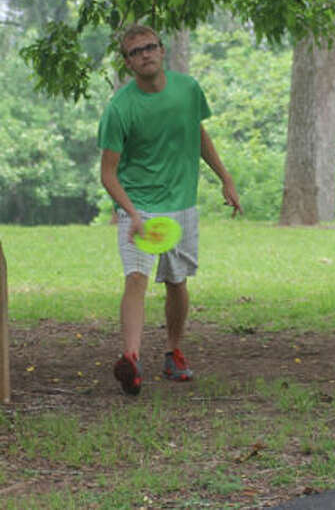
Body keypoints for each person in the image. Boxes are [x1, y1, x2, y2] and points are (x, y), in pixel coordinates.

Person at [97, 24, 242, 395]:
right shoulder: (120, 108)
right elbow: (108, 173)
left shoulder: (188, 90)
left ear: (162, 51)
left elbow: (197, 134)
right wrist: (129, 212)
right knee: (136, 278)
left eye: (150, 47)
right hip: (140, 206)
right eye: (135, 51)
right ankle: (131, 358)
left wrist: (225, 178)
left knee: (177, 282)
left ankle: (173, 352)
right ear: (128, 63)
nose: (145, 54)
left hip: (181, 205)